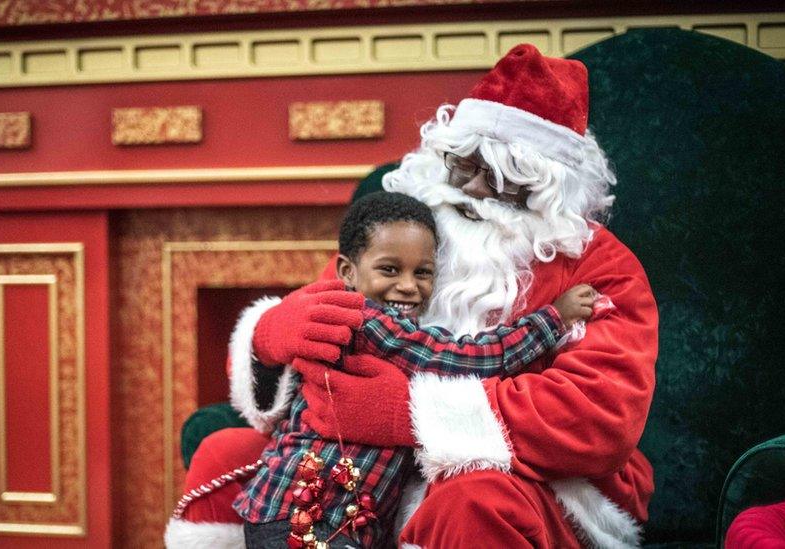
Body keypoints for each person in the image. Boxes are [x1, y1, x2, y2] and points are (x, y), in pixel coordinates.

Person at [166, 43, 657, 548]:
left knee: (473, 498)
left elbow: (596, 415)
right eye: (463, 165)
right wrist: (271, 337)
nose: (475, 191)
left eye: (507, 177)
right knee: (225, 452)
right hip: (365, 459)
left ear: (551, 189)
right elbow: (319, 342)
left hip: (527, 477)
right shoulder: (407, 228)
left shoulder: (599, 265)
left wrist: (408, 414)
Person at [236, 191, 596, 548]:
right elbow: (463, 359)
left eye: (422, 272)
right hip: (307, 516)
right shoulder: (366, 321)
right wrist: (552, 320)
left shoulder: (354, 314)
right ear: (347, 270)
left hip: (320, 520)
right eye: (389, 269)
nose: (408, 286)